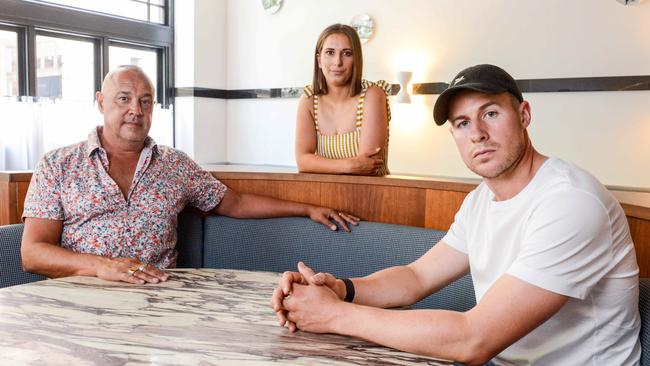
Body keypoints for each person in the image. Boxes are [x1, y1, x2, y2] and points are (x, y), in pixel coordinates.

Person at [271, 64, 641, 364]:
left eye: (490, 113)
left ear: (524, 114)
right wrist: (341, 289)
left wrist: (334, 315)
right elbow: (416, 278)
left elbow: (474, 339)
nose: (477, 133)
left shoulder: (571, 202)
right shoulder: (481, 200)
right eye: (462, 123)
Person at [21, 65, 359, 286]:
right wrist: (101, 267)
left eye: (146, 101)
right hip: (78, 300)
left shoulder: (175, 165)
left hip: (157, 301)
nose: (135, 110)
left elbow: (235, 202)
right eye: (124, 99)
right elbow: (32, 252)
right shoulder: (58, 165)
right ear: (100, 101)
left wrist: (306, 208)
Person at [295, 24, 391, 176]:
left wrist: (319, 164)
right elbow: (302, 162)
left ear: (356, 60)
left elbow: (367, 167)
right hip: (325, 194)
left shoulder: (372, 95)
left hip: (373, 195)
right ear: (319, 60)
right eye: (330, 52)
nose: (337, 62)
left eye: (347, 53)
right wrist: (348, 165)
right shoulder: (308, 100)